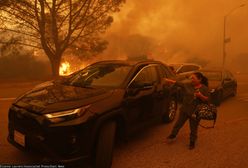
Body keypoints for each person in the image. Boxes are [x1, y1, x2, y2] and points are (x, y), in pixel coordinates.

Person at [165, 72, 209, 149]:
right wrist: (169, 81)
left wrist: (200, 96)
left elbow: (207, 100)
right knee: (178, 124)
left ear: (199, 79)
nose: (191, 79)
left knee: (193, 128)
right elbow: (179, 83)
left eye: (193, 78)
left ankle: (192, 142)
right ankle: (173, 135)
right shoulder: (188, 85)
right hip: (185, 110)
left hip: (195, 112)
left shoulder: (204, 88)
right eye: (191, 78)